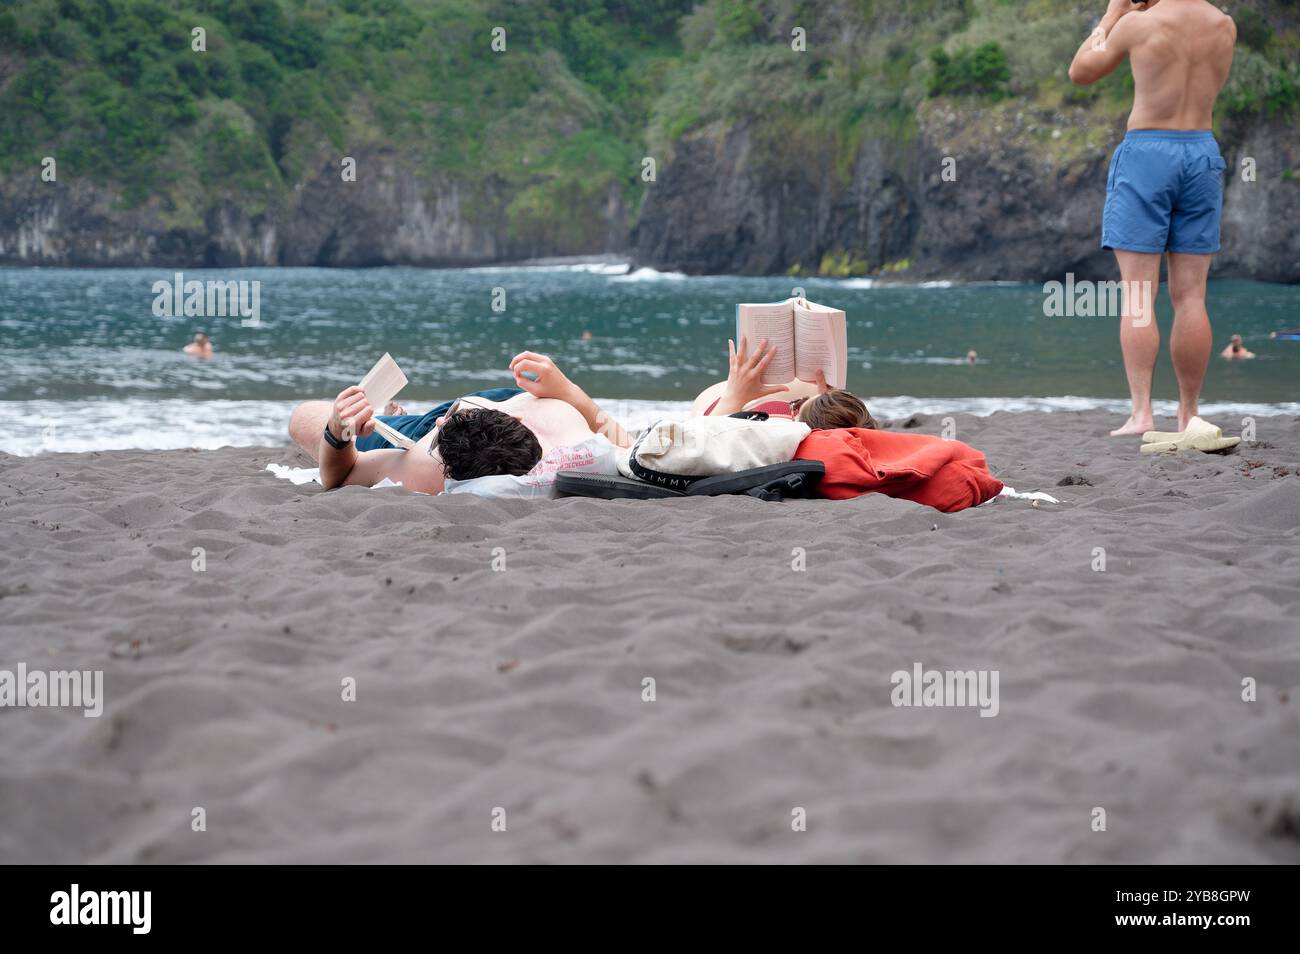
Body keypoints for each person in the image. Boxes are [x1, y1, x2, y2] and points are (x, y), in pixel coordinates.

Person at [1068, 0, 1236, 435]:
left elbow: (1081, 71)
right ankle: (1189, 414)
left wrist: (1112, 15)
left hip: (1147, 151)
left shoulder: (1138, 25)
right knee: (1191, 296)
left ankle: (1142, 414)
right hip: (1201, 152)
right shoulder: (1224, 25)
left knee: (1140, 295)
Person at [287, 353, 635, 493]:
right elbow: (629, 444)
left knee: (303, 417)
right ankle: (416, 419)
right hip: (520, 398)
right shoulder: (567, 420)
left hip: (441, 431)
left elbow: (338, 476)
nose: (440, 420)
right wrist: (568, 390)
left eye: (443, 423)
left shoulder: (426, 462)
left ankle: (397, 423)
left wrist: (339, 430)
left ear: (448, 471)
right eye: (445, 420)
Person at [692, 336, 881, 430]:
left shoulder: (778, 435)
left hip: (715, 408)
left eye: (797, 407)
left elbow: (699, 439)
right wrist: (826, 399)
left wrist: (733, 396)